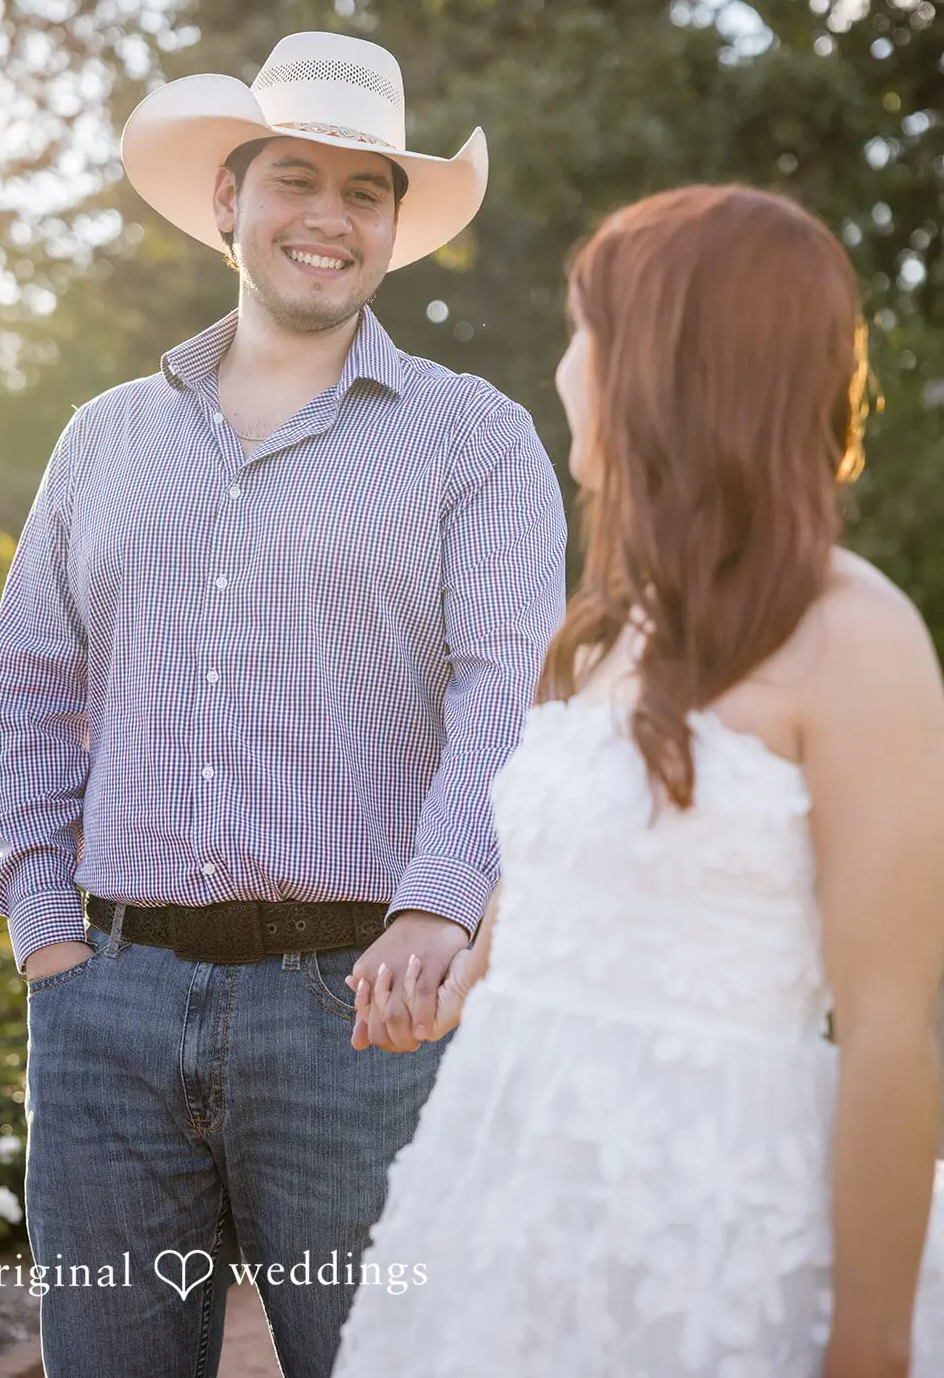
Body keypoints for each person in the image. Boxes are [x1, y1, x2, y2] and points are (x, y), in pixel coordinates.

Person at [0, 30, 567, 1378]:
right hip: (104, 1010)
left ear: (394, 227)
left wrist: (437, 901)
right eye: (294, 178)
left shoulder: (471, 438)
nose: (327, 217)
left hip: (359, 1016)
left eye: (366, 192)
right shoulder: (101, 440)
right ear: (226, 202)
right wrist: (44, 935)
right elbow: (30, 692)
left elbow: (504, 684)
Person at [332, 184, 944, 1377]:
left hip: (709, 1219)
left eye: (582, 334)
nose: (564, 370)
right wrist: (464, 975)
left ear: (669, 365)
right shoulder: (608, 628)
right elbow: (561, 864)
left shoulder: (855, 637)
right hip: (508, 1191)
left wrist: (863, 1348)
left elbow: (887, 1029)